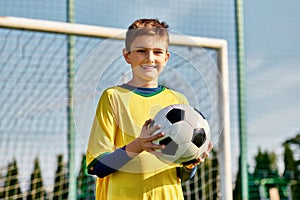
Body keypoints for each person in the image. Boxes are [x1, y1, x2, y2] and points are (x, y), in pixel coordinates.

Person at [86, 18, 212, 200]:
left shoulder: (178, 101)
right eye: (141, 51)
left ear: (166, 58)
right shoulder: (113, 97)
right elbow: (98, 166)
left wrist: (190, 164)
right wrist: (137, 145)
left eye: (157, 52)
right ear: (127, 56)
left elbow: (181, 176)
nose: (150, 58)